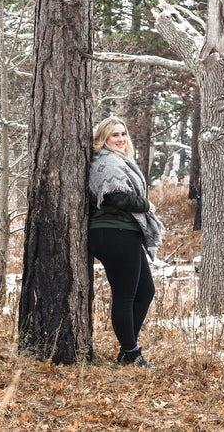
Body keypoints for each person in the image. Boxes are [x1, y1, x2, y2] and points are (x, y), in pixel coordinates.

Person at [88, 115, 163, 368]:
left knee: (146, 291)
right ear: (104, 139)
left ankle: (126, 350)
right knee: (126, 295)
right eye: (114, 135)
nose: (121, 139)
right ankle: (131, 354)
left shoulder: (118, 160)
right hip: (113, 233)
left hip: (124, 232)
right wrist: (146, 204)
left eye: (123, 134)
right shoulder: (106, 161)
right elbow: (115, 197)